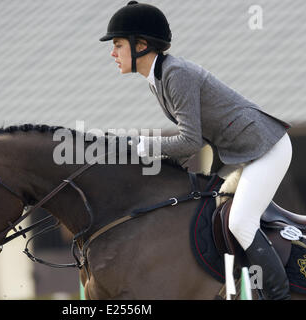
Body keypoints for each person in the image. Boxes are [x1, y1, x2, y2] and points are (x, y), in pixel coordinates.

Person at [100, 1, 293, 300]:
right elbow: (192, 142)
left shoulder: (176, 74)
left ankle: (278, 295)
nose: (112, 53)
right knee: (206, 213)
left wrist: (140, 146)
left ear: (141, 45)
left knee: (240, 222)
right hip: (239, 154)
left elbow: (190, 142)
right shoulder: (159, 79)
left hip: (265, 147)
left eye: (118, 44)